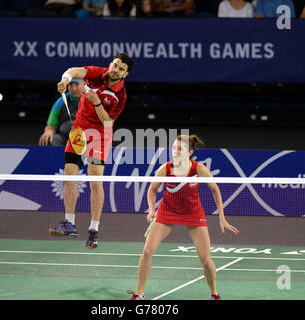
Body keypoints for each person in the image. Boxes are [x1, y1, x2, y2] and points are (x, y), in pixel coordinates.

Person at [130, 134, 239, 300]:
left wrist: (221, 217)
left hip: (193, 212)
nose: (175, 152)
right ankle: (139, 294)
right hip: (167, 211)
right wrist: (152, 210)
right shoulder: (165, 169)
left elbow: (215, 189)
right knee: (147, 251)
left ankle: (214, 293)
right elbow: (152, 190)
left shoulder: (198, 169)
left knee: (205, 259)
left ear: (190, 152)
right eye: (174, 148)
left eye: (180, 149)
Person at [49, 53, 134, 249]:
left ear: (125, 74)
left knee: (95, 181)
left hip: (100, 136)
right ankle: (69, 223)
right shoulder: (97, 74)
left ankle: (93, 230)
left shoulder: (120, 95)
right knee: (70, 176)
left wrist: (96, 101)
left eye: (121, 69)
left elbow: (107, 121)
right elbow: (76, 71)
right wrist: (66, 79)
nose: (116, 70)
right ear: (110, 64)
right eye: (115, 65)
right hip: (78, 131)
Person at [39, 79, 85, 146]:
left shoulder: (94, 99)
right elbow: (51, 126)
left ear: (85, 84)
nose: (74, 88)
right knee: (49, 139)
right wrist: (48, 131)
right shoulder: (61, 101)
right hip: (66, 138)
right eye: (71, 85)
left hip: (87, 138)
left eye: (77, 84)